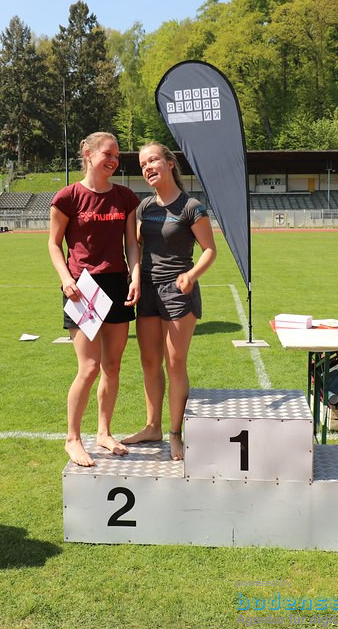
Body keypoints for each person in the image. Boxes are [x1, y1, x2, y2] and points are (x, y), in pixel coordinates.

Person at [48, 132, 141, 467]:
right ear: (87, 154)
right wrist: (65, 278)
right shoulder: (68, 197)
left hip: (117, 284)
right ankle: (72, 438)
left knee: (112, 366)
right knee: (88, 367)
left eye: (117, 155)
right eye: (108, 153)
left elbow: (132, 243)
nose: (114, 160)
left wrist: (136, 274)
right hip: (83, 288)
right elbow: (53, 244)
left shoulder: (126, 198)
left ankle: (103, 432)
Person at [123, 142, 217, 461]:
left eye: (153, 160)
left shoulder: (192, 207)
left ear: (169, 163)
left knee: (175, 363)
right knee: (150, 362)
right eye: (143, 164)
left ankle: (176, 433)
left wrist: (191, 275)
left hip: (179, 290)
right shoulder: (144, 207)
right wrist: (135, 276)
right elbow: (135, 246)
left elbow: (209, 250)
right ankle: (153, 427)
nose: (148, 167)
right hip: (147, 289)